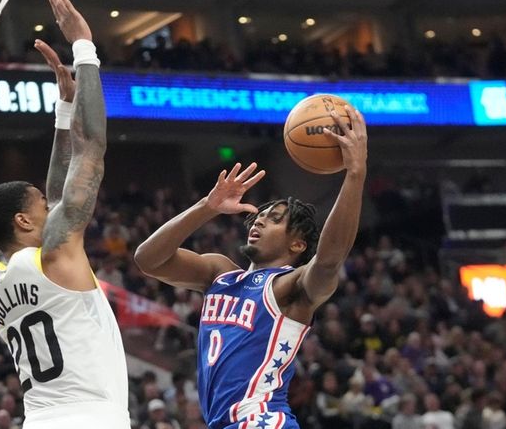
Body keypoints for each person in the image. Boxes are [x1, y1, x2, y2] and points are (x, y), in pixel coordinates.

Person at [135, 106, 367, 428]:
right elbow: (148, 260)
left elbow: (329, 258)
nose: (258, 221)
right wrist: (207, 207)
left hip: (261, 420)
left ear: (297, 244)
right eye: (258, 216)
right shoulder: (219, 273)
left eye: (274, 220)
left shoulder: (290, 288)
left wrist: (355, 174)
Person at [0, 0, 127, 428]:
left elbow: (60, 190)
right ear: (23, 222)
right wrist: (85, 48)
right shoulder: (53, 256)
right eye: (42, 206)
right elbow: (93, 148)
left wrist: (64, 113)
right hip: (92, 419)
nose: (51, 203)